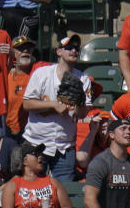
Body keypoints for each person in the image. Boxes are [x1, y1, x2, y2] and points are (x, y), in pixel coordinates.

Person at [21, 34, 91, 182]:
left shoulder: (83, 79)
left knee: (63, 193)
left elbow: (84, 113)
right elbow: (27, 104)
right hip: (36, 142)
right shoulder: (42, 74)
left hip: (64, 146)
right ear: (59, 51)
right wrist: (54, 104)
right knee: (32, 188)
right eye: (69, 48)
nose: (73, 51)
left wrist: (78, 103)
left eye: (76, 48)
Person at [5, 34, 46, 139]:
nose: (25, 51)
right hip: (7, 131)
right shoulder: (6, 75)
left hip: (31, 132)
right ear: (12, 53)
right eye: (20, 48)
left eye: (28, 48)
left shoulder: (39, 72)